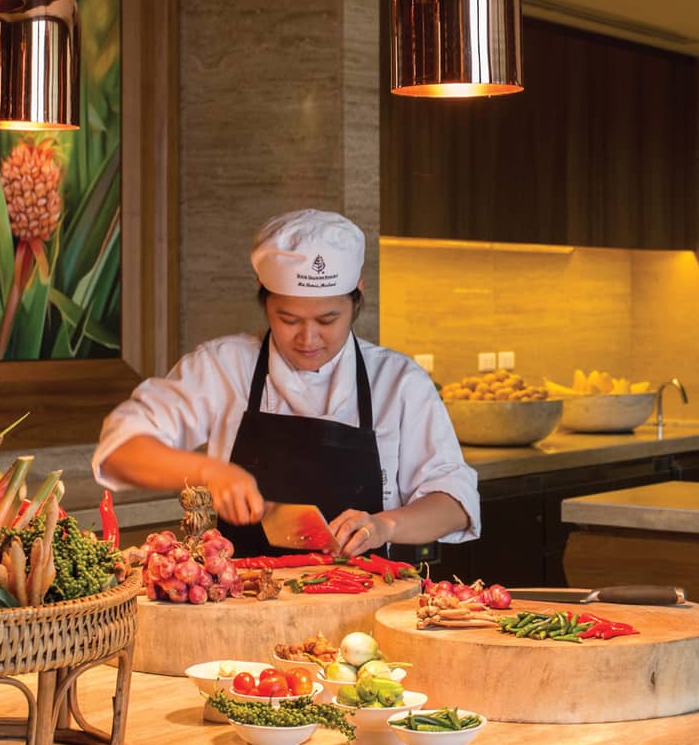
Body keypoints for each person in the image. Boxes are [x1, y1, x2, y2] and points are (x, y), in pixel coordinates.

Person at [93, 209, 479, 558]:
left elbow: (455, 502)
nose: (308, 339)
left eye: (327, 320)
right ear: (265, 303)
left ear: (357, 296)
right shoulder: (225, 367)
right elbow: (120, 450)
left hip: (371, 608)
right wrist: (209, 471)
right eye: (289, 319)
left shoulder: (398, 382)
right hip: (246, 608)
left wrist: (385, 525)